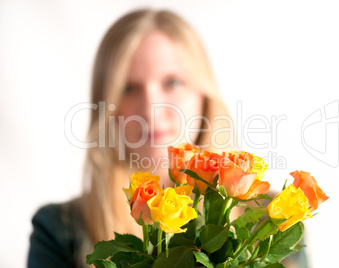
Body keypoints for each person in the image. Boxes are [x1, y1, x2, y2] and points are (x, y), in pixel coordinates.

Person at [28, 8, 308, 268]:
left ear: (204, 96)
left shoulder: (275, 218)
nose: (151, 110)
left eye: (172, 82)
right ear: (107, 107)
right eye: (128, 87)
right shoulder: (58, 231)